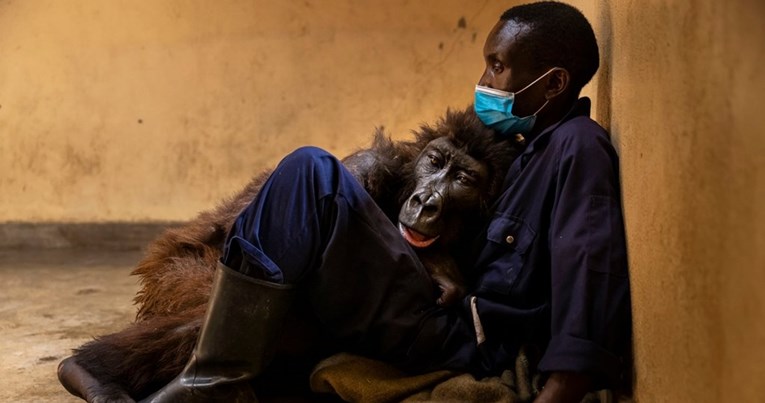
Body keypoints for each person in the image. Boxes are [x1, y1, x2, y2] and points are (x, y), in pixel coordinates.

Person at [139, 2, 631, 402]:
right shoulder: (526, 153)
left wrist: (565, 386)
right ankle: (219, 374)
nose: (484, 82)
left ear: (553, 84)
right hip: (434, 306)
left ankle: (215, 381)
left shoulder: (577, 148)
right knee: (315, 183)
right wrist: (436, 258)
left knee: (313, 173)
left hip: (458, 338)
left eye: (498, 67)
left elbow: (588, 266)